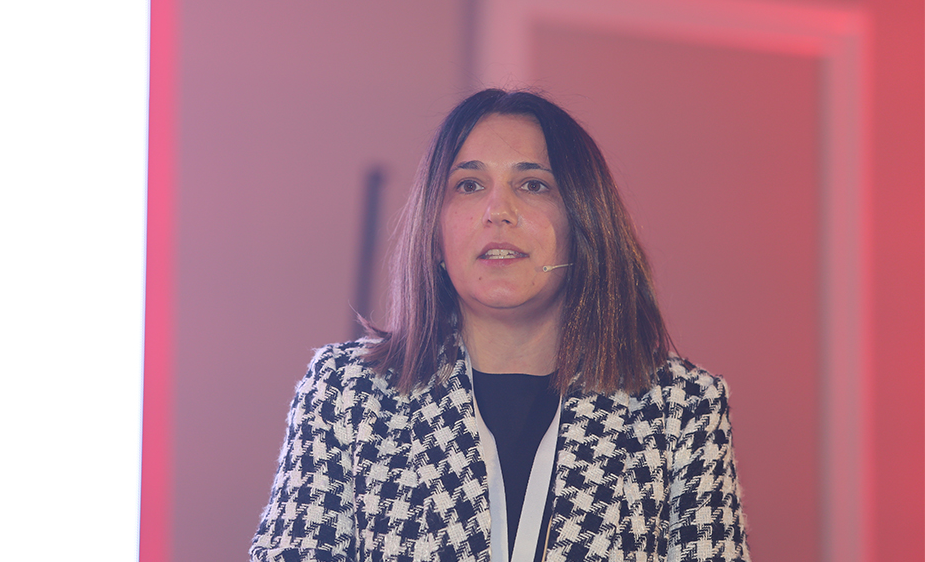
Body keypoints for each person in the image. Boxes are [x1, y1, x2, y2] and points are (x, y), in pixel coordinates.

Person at [251, 89, 751, 562]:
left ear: (584, 223)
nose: (498, 211)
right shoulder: (345, 391)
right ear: (435, 233)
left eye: (533, 184)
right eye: (469, 185)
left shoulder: (682, 407)